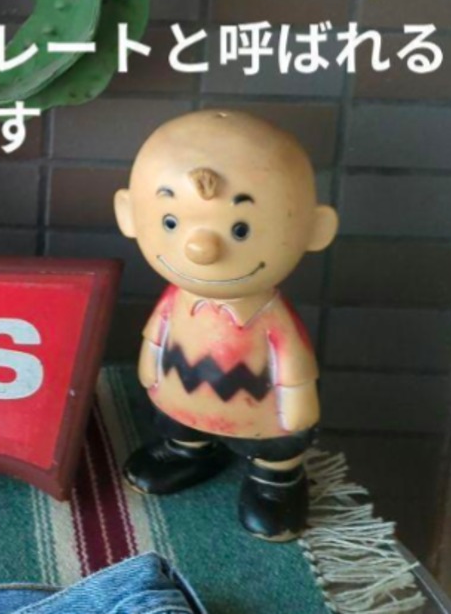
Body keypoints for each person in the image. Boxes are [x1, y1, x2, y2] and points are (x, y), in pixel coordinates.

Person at [113, 109, 339, 541]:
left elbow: (292, 366)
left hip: (261, 413)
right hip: (184, 396)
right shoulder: (175, 301)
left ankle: (276, 481)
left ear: (316, 229)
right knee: (176, 421)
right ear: (128, 214)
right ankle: (187, 450)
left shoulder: (272, 320)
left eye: (239, 229)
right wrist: (150, 368)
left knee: (276, 446)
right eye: (172, 222)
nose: (201, 248)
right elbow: (156, 336)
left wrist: (297, 407)